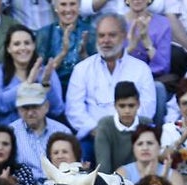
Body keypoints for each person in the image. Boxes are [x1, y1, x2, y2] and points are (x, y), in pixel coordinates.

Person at [65, 13, 155, 157]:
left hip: (131, 135)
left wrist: (125, 128)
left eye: (112, 35)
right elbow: (74, 110)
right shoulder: (82, 69)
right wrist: (99, 131)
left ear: (124, 36)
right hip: (93, 136)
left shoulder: (141, 68)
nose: (105, 41)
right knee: (80, 154)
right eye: (101, 35)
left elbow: (148, 107)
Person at [0, 24, 62, 128]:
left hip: (38, 134)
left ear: (34, 46)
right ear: (8, 48)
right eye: (16, 44)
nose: (23, 48)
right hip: (5, 135)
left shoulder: (45, 72)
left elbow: (57, 110)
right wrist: (27, 84)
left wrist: (46, 86)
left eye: (27, 43)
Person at [10, 81, 66, 185]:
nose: (30, 113)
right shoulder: (10, 132)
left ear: (46, 106)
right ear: (18, 110)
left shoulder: (62, 131)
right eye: (25, 108)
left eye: (35, 106)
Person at [36, 0, 97, 95]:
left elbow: (98, 73)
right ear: (55, 7)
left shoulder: (91, 32)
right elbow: (40, 76)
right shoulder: (45, 34)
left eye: (72, 4)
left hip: (85, 91)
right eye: (63, 4)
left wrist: (84, 55)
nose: (68, 9)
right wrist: (63, 53)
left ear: (79, 6)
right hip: (52, 92)